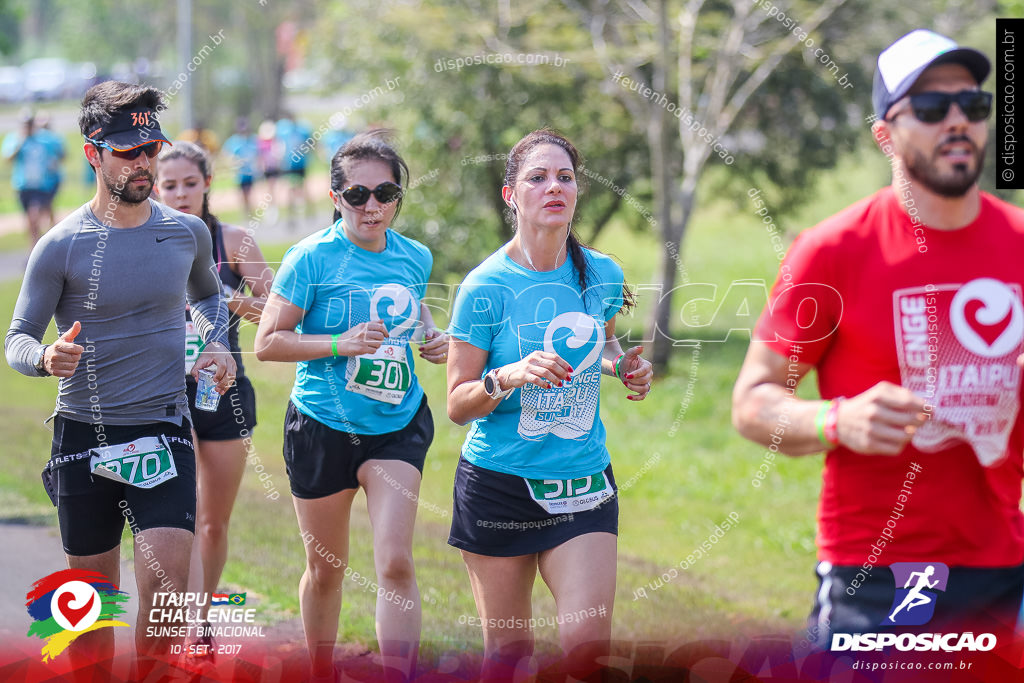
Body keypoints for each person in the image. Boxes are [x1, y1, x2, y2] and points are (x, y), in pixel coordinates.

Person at [732, 29, 1024, 643]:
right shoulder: (832, 251)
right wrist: (834, 421)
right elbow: (752, 403)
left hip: (1003, 570)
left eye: (973, 106)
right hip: (877, 574)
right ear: (885, 136)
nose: (958, 122)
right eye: (929, 107)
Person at [4, 81, 236, 672]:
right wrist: (44, 357)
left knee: (167, 596)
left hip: (163, 429)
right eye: (128, 151)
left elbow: (210, 301)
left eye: (151, 147)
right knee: (89, 620)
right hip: (85, 436)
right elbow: (17, 340)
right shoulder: (59, 246)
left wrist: (216, 344)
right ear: (93, 153)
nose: (144, 162)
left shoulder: (185, 233)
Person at [445, 129, 652, 679]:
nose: (553, 187)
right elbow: (458, 404)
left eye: (564, 177)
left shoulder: (602, 273)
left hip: (582, 484)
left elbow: (600, 344)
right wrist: (508, 375)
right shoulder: (484, 287)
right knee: (509, 658)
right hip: (499, 487)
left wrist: (623, 365)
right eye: (537, 178)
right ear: (512, 195)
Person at [254, 129, 448, 682]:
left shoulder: (415, 256)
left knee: (395, 561)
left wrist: (433, 342)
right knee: (325, 570)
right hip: (321, 426)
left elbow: (416, 321)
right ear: (336, 197)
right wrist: (341, 343)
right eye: (358, 195)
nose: (372, 206)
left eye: (385, 194)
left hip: (396, 423)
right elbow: (269, 341)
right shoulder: (309, 258)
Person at [154, 140, 273, 656]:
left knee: (211, 519)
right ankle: (168, 617)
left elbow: (277, 311)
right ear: (156, 189)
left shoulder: (234, 241)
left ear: (207, 184)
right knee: (169, 519)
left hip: (223, 391)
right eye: (170, 185)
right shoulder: (147, 241)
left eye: (189, 183)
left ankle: (199, 622)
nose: (180, 194)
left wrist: (230, 299)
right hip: (158, 393)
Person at [2, 108, 65, 245]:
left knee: (34, 215)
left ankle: (41, 246)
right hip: (23, 185)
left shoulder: (45, 139)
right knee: (30, 221)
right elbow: (8, 158)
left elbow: (60, 154)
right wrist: (22, 141)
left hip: (42, 185)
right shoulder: (15, 139)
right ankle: (34, 247)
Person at [222, 118, 261, 216]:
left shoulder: (253, 139)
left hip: (250, 171)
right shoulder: (233, 141)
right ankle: (246, 211)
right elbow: (226, 154)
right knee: (243, 193)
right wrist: (233, 162)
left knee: (250, 192)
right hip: (240, 173)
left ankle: (251, 211)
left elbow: (258, 154)